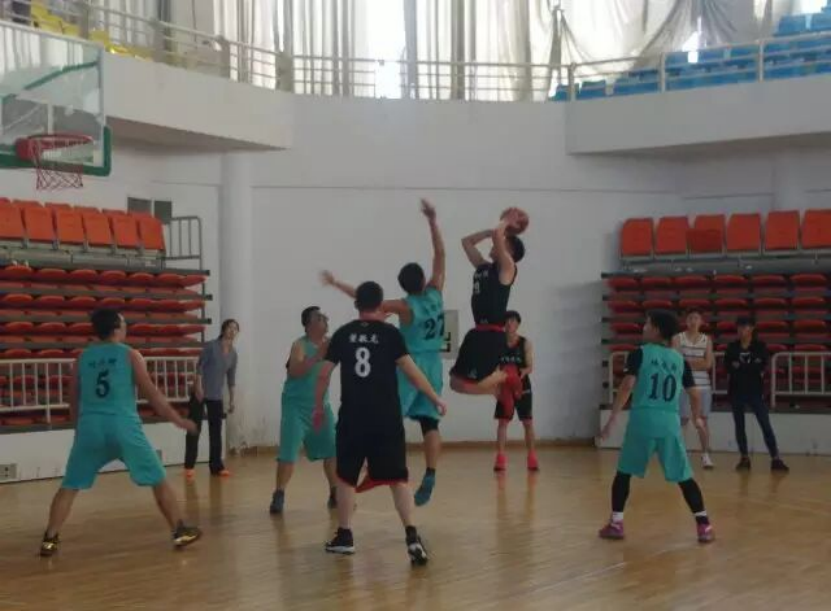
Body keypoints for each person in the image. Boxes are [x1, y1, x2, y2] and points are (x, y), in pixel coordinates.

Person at [40, 309, 201, 557]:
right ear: (116, 328)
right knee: (158, 478)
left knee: (70, 485)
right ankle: (179, 531)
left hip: (90, 426)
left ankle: (49, 539)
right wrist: (178, 420)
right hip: (123, 426)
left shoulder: (83, 358)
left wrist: (79, 429)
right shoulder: (130, 355)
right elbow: (152, 394)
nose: (126, 327)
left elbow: (73, 398)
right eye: (124, 323)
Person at [322, 199, 446, 506]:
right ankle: (431, 474)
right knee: (430, 423)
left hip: (411, 363)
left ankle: (374, 469)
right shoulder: (436, 292)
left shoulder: (405, 306)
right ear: (423, 280)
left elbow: (366, 299)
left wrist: (337, 283)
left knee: (386, 418)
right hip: (435, 363)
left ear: (403, 286)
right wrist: (432, 220)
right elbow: (440, 254)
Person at [314, 281, 447, 565]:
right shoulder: (390, 334)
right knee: (398, 479)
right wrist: (435, 398)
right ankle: (412, 536)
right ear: (381, 304)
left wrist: (317, 408)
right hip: (386, 418)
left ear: (356, 304)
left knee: (346, 477)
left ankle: (345, 536)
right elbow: (412, 373)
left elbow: (323, 374)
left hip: (352, 417)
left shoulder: (343, 334)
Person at [599, 310, 715, 544]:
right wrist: (696, 417)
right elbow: (694, 394)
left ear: (657, 330)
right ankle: (704, 525)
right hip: (669, 422)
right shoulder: (680, 360)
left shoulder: (640, 353)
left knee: (624, 472)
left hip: (643, 419)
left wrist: (613, 417)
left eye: (647, 325)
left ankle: (616, 523)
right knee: (684, 476)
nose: (644, 328)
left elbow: (627, 385)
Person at [450, 210, 526, 413]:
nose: (496, 242)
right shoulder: (483, 267)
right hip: (477, 332)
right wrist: (488, 232)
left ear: (509, 251)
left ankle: (505, 376)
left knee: (468, 383)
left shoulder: (508, 269)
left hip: (492, 335)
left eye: (502, 242)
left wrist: (506, 222)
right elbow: (466, 242)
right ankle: (498, 389)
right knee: (455, 384)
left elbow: (497, 235)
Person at [270, 306, 337, 514]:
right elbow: (295, 370)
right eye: (319, 317)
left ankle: (335, 492)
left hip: (320, 406)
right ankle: (279, 494)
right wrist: (317, 355)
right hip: (295, 406)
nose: (324, 318)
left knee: (333, 450)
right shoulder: (299, 345)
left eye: (324, 316)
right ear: (309, 325)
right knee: (288, 452)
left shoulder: (332, 343)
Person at [726, 316, 790, 473]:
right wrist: (748, 366)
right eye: (739, 327)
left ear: (752, 328)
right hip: (736, 391)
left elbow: (760, 365)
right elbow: (728, 366)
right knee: (739, 426)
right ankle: (744, 457)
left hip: (755, 391)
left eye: (745, 327)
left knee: (765, 424)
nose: (741, 330)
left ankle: (775, 457)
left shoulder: (760, 346)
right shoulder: (732, 347)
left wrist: (740, 366)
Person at [184, 319, 239, 480]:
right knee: (194, 428)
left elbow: (231, 379)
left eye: (235, 329)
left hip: (216, 395)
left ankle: (216, 466)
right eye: (230, 328)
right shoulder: (211, 346)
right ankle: (189, 466)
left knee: (216, 431)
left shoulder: (233, 354)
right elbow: (200, 367)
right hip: (200, 392)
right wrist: (198, 387)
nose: (232, 331)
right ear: (223, 329)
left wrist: (232, 400)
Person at [493, 311, 537, 472]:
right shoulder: (498, 343)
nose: (509, 323)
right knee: (502, 422)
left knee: (528, 422)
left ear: (518, 324)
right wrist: (496, 386)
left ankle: (532, 457)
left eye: (512, 321)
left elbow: (530, 366)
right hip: (504, 386)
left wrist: (520, 373)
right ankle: (500, 458)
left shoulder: (525, 343)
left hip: (522, 386)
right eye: (507, 321)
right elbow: (494, 367)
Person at [672, 308, 715, 470]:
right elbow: (677, 361)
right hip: (682, 385)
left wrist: (687, 362)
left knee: (702, 420)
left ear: (701, 321)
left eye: (696, 318)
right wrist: (697, 363)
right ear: (686, 321)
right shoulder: (677, 338)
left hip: (703, 386)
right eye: (690, 318)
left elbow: (708, 363)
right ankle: (679, 454)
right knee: (681, 420)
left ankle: (705, 455)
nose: (693, 321)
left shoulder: (707, 339)